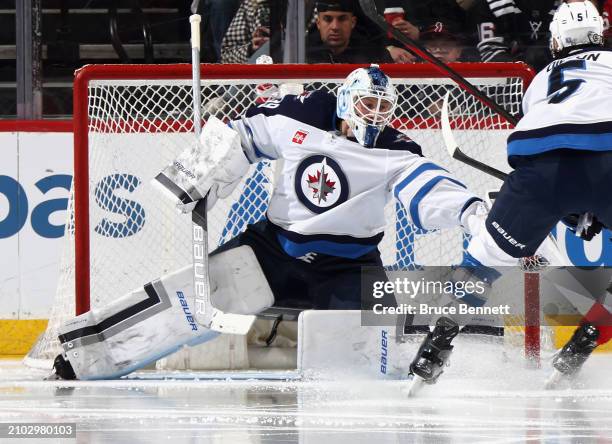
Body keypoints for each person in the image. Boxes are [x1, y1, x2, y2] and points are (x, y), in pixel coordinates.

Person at [51, 64, 489, 380]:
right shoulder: (299, 115)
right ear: (346, 101)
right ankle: (83, 354)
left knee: (374, 360)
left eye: (382, 106)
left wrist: (472, 213)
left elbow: (429, 185)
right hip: (272, 251)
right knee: (188, 303)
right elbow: (243, 136)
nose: (374, 114)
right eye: (367, 103)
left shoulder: (397, 150)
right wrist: (198, 171)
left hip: (351, 267)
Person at [409, 1, 612, 385]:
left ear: (555, 39)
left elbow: (562, 151)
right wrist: (589, 206)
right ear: (599, 35)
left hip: (538, 174)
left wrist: (572, 207)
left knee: (482, 262)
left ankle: (435, 347)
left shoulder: (539, 80)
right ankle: (587, 340)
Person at [468, 0, 559, 71]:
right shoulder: (490, 4)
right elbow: (491, 57)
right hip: (509, 87)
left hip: (556, 78)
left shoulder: (567, 5)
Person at [306, 1, 394, 63]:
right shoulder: (303, 56)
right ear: (318, 23)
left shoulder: (375, 57)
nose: (335, 27)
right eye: (328, 19)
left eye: (342, 19)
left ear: (353, 22)